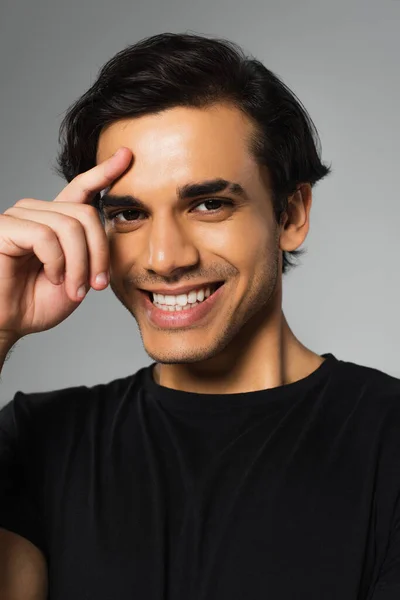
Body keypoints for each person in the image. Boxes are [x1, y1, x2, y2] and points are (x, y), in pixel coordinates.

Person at [0, 32, 399, 600]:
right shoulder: (35, 441)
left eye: (208, 204)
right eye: (129, 214)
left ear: (291, 213)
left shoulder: (388, 443)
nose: (165, 258)